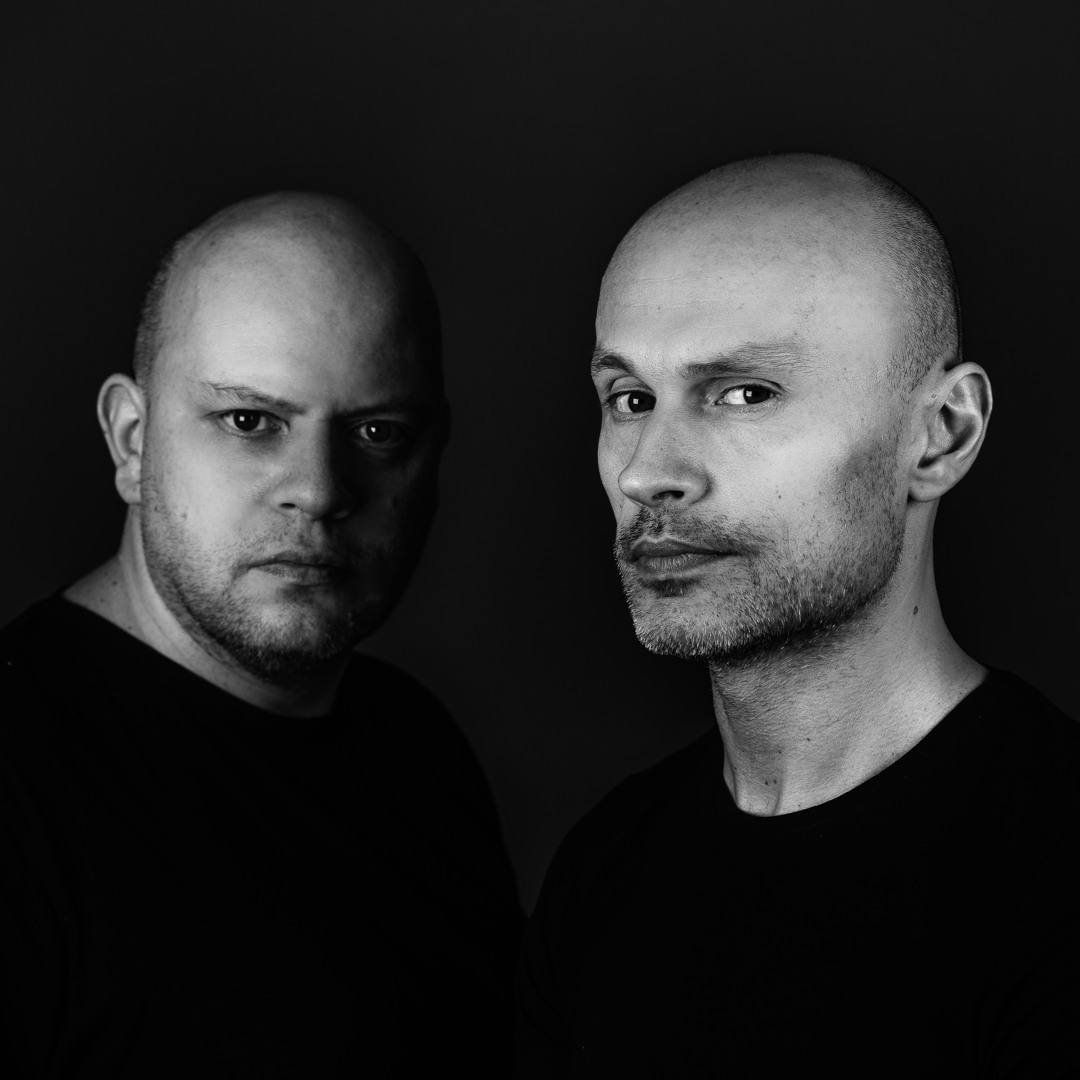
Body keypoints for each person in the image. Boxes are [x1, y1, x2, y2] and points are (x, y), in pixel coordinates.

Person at [515, 154, 1079, 1077]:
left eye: (745, 393)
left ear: (941, 435)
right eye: (630, 399)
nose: (648, 471)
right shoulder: (603, 868)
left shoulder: (1056, 880)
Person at [0, 192, 523, 1077]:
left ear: (434, 453)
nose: (318, 490)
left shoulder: (417, 747)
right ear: (132, 441)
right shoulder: (18, 787)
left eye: (377, 432)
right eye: (250, 422)